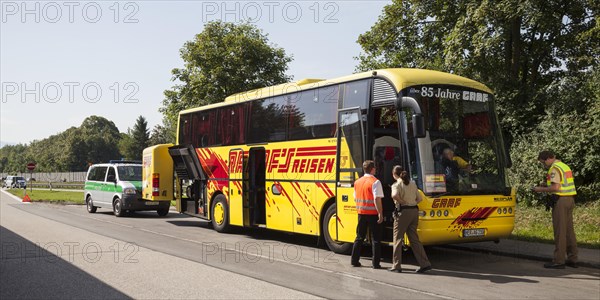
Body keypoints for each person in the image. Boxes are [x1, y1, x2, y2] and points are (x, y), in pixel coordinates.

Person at [532, 150, 578, 269]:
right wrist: (546, 185)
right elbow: (562, 184)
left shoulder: (554, 168)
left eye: (543, 163)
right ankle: (573, 259)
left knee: (560, 232)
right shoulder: (564, 166)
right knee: (569, 231)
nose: (544, 165)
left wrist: (539, 189)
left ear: (548, 159)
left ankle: (558, 261)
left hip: (561, 201)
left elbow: (556, 187)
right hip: (570, 199)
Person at [388, 166, 432, 274]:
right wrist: (412, 203)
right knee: (414, 239)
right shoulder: (412, 183)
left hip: (403, 212)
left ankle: (396, 265)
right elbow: (420, 199)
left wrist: (402, 202)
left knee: (398, 238)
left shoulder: (396, 184)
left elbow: (394, 195)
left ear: (394, 174)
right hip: (414, 212)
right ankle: (425, 263)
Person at [350, 160, 384, 269]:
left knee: (359, 237)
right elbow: (376, 199)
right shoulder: (375, 182)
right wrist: (380, 213)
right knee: (375, 239)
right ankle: (375, 263)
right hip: (373, 214)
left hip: (361, 213)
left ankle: (354, 261)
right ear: (373, 169)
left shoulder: (357, 182)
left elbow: (355, 197)